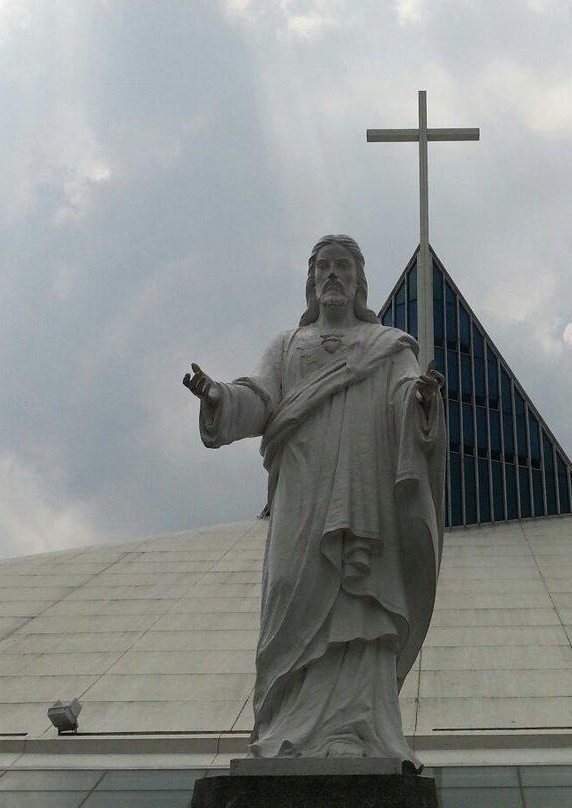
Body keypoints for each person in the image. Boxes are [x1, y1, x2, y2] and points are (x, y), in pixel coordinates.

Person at [183, 234, 445, 764]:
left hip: (362, 494)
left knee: (359, 599)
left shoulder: (389, 344)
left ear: (358, 280)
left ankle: (356, 729)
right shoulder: (287, 346)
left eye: (342, 266)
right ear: (311, 280)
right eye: (323, 266)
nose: (332, 274)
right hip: (301, 491)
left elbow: (404, 394)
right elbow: (258, 396)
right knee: (288, 589)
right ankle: (283, 727)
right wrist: (218, 396)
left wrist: (419, 402)